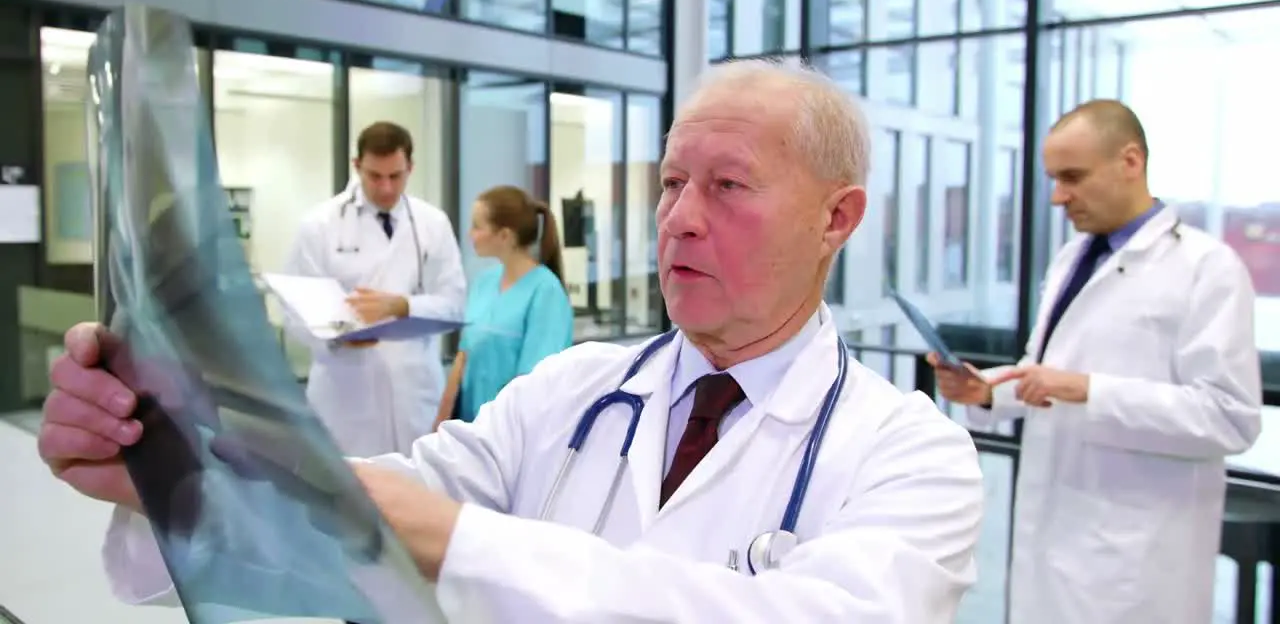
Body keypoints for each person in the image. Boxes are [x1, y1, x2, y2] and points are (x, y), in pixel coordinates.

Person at [41, 59, 985, 622]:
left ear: (836, 217)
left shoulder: (911, 455)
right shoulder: (572, 392)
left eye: (727, 187)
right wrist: (165, 461)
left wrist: (450, 540)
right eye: (668, 184)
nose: (679, 221)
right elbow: (383, 504)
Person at [929, 99, 1262, 624]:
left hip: (1138, 556)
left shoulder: (1207, 267)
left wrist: (1089, 390)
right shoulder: (1072, 259)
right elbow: (1045, 369)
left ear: (1130, 161)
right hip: (1054, 530)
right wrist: (988, 390)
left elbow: (1229, 417)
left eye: (1073, 177)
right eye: (1053, 179)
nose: (1059, 197)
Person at [281, 121, 467, 456]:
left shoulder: (432, 224)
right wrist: (339, 337)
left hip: (415, 391)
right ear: (357, 167)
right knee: (347, 496)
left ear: (410, 167)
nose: (385, 187)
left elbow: (454, 304)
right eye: (374, 176)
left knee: (415, 492)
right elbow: (294, 313)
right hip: (346, 391)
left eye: (395, 176)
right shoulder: (319, 226)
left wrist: (404, 307)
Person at [434, 185, 574, 428]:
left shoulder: (545, 292)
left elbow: (535, 383)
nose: (470, 234)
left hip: (514, 434)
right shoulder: (484, 283)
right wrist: (440, 422)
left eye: (477, 226)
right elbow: (463, 356)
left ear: (505, 236)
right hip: (470, 430)